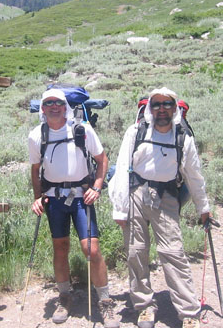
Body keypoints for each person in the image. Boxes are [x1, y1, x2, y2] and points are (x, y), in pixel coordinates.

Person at [109, 87, 210, 328]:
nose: (161, 109)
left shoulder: (183, 138)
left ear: (175, 108)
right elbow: (123, 168)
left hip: (166, 198)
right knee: (136, 251)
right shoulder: (135, 132)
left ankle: (189, 312)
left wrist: (203, 207)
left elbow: (193, 176)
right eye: (156, 105)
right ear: (149, 108)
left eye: (167, 104)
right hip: (136, 194)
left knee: (173, 253)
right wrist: (120, 209)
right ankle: (144, 306)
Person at [28, 88, 120, 328]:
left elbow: (102, 160)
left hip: (81, 197)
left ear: (65, 106)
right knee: (60, 248)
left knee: (91, 249)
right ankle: (64, 296)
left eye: (58, 102)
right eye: (49, 103)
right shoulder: (37, 135)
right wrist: (38, 197)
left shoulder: (82, 130)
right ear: (43, 108)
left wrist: (97, 187)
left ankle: (105, 301)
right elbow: (35, 170)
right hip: (54, 199)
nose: (54, 107)